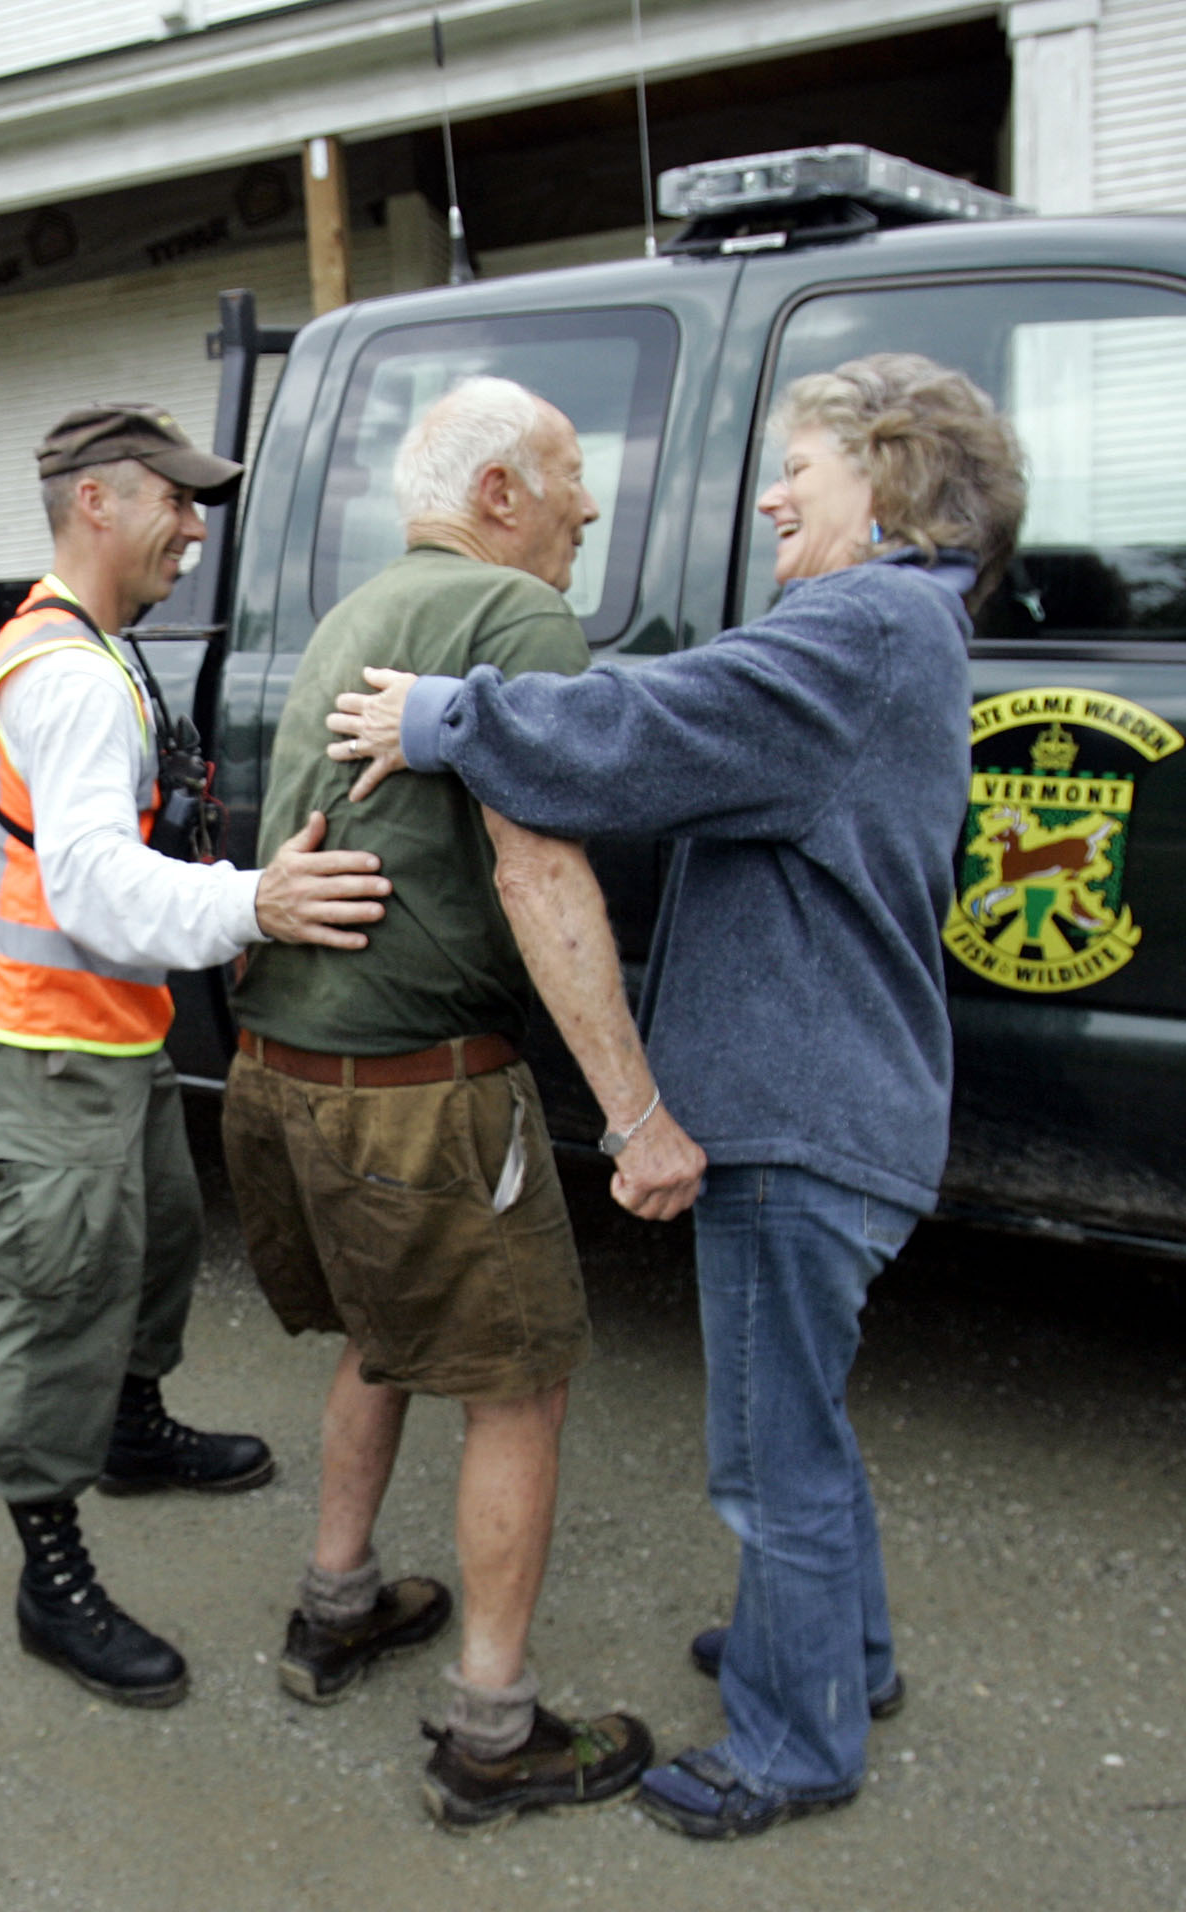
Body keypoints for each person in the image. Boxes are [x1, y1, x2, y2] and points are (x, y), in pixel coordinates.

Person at [324, 352, 1026, 1839]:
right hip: (836, 1096)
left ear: (889, 480)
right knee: (804, 1424)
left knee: (773, 1459)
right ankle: (841, 1654)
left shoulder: (856, 627)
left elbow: (649, 728)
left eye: (803, 467)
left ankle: (793, 1742)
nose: (770, 492)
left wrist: (449, 720)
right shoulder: (894, 628)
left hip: (796, 1113)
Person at [226, 378, 688, 1829]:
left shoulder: (358, 618)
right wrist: (635, 1114)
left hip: (280, 1075)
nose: (590, 505)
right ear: (497, 497)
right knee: (515, 1378)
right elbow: (535, 868)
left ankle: (335, 1605)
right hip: (415, 1096)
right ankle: (492, 1733)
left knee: (383, 1331)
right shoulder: (514, 618)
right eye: (568, 474)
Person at [0, 402, 393, 1707]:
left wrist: (209, 894)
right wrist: (254, 904)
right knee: (63, 1283)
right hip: (38, 1034)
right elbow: (87, 886)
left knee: (162, 1232)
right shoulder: (69, 670)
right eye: (172, 502)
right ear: (94, 504)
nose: (193, 529)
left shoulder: (86, 644)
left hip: (95, 1021)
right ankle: (47, 1563)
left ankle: (127, 1431)